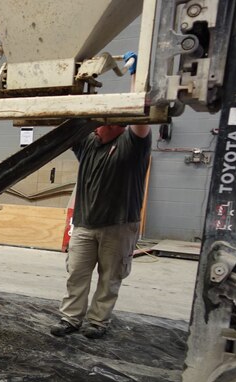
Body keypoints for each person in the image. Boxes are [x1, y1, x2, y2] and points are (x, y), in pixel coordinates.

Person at [50, 52, 151, 339]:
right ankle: (71, 319)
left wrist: (136, 76)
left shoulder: (133, 143)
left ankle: (98, 322)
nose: (97, 125)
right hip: (84, 224)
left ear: (117, 124)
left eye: (104, 119)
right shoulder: (88, 144)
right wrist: (68, 76)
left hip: (119, 225)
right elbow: (66, 118)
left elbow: (140, 113)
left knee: (110, 278)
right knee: (76, 274)